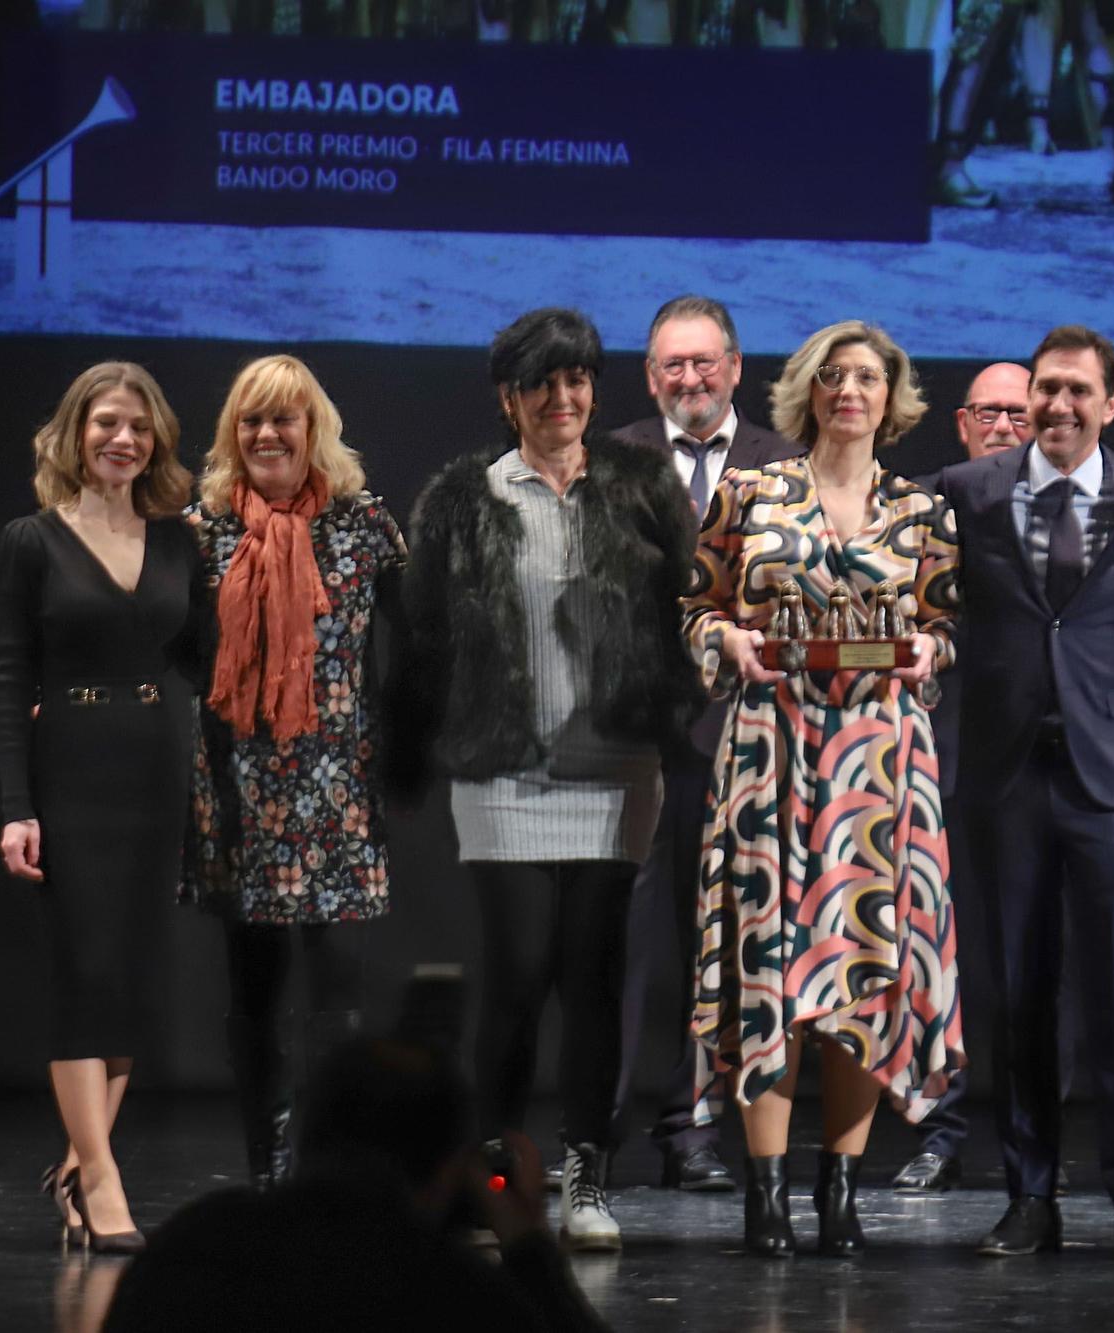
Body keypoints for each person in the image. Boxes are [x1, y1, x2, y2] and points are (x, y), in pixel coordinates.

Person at [397, 307, 701, 1250]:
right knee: (519, 976)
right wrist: (412, 745)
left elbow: (691, 608)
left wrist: (681, 705)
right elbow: (422, 638)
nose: (563, 400)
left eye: (577, 382)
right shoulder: (461, 498)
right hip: (504, 772)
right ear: (509, 397)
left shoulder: (643, 485)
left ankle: (588, 1175)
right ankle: (494, 1174)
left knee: (595, 975)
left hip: (616, 766)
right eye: (543, 384)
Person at [683, 319, 965, 1257]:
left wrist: (932, 648)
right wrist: (722, 640)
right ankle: (765, 1195)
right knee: (768, 971)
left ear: (892, 398)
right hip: (772, 751)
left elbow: (944, 629)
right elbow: (698, 605)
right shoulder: (750, 492)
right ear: (808, 390)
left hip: (881, 766)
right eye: (835, 377)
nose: (851, 391)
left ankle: (838, 1189)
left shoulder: (921, 510)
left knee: (863, 977)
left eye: (868, 379)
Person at [942, 324, 1114, 1263]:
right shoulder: (966, 492)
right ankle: (1030, 1195)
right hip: (1008, 778)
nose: (1056, 406)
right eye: (1045, 388)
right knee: (1017, 991)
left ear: (1111, 403)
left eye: (1076, 391)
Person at [183, 354, 407, 1193]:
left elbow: (417, 645)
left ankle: (329, 1156)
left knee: (337, 996)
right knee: (256, 989)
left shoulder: (363, 525)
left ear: (315, 429)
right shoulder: (200, 531)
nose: (268, 434)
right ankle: (270, 1163)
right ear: (231, 436)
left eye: (285, 419)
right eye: (251, 421)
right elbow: (168, 647)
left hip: (337, 790)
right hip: (241, 787)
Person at [0, 362, 201, 1253]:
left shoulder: (179, 540)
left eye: (140, 427)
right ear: (76, 431)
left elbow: (200, 655)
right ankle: (101, 1173)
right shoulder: (30, 540)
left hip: (155, 769)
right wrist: (16, 803)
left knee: (132, 981)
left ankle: (79, 1166)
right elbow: (9, 673)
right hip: (69, 770)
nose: (124, 439)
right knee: (84, 975)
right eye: (108, 423)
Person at [608, 294, 799, 1193]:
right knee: (620, 945)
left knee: (717, 945)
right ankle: (595, 1133)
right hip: (632, 738)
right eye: (672, 366)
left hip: (744, 741)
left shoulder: (786, 465)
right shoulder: (613, 461)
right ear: (652, 379)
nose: (690, 378)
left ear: (735, 367)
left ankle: (692, 1129)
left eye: (705, 361)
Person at [100, 1035, 608, 1333]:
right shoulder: (452, 1293)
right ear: (451, 1173)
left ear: (311, 1135)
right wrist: (529, 1247)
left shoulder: (195, 1249)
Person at [892, 361, 1037, 1194]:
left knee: (1019, 958)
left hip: (1031, 763)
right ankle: (939, 1129)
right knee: (930, 961)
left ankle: (1027, 1136)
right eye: (991, 413)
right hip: (937, 761)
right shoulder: (917, 504)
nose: (1006, 427)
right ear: (962, 422)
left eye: (1020, 414)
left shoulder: (1066, 507)